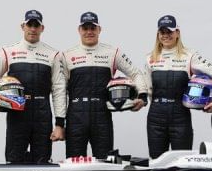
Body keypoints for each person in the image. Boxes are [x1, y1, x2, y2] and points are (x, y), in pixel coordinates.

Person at [0, 10, 66, 163]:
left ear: (42, 28)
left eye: (36, 25)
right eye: (29, 24)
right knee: (14, 161)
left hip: (42, 113)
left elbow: (59, 90)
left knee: (42, 163)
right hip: (17, 114)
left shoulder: (53, 54)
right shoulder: (8, 51)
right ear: (23, 26)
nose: (32, 28)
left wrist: (59, 124)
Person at [62, 12, 148, 159]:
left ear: (99, 29)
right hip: (75, 116)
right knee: (74, 165)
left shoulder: (112, 52)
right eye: (85, 28)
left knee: (104, 163)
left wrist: (142, 95)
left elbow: (136, 74)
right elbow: (60, 91)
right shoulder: (66, 55)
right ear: (79, 30)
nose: (89, 32)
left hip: (102, 114)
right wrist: (59, 122)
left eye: (93, 28)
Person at [145, 15, 212, 159]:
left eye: (169, 32)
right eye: (162, 32)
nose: (166, 35)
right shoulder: (150, 58)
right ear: (158, 34)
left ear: (177, 33)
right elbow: (148, 89)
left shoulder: (190, 56)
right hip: (156, 116)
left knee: (182, 161)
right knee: (156, 163)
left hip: (180, 116)